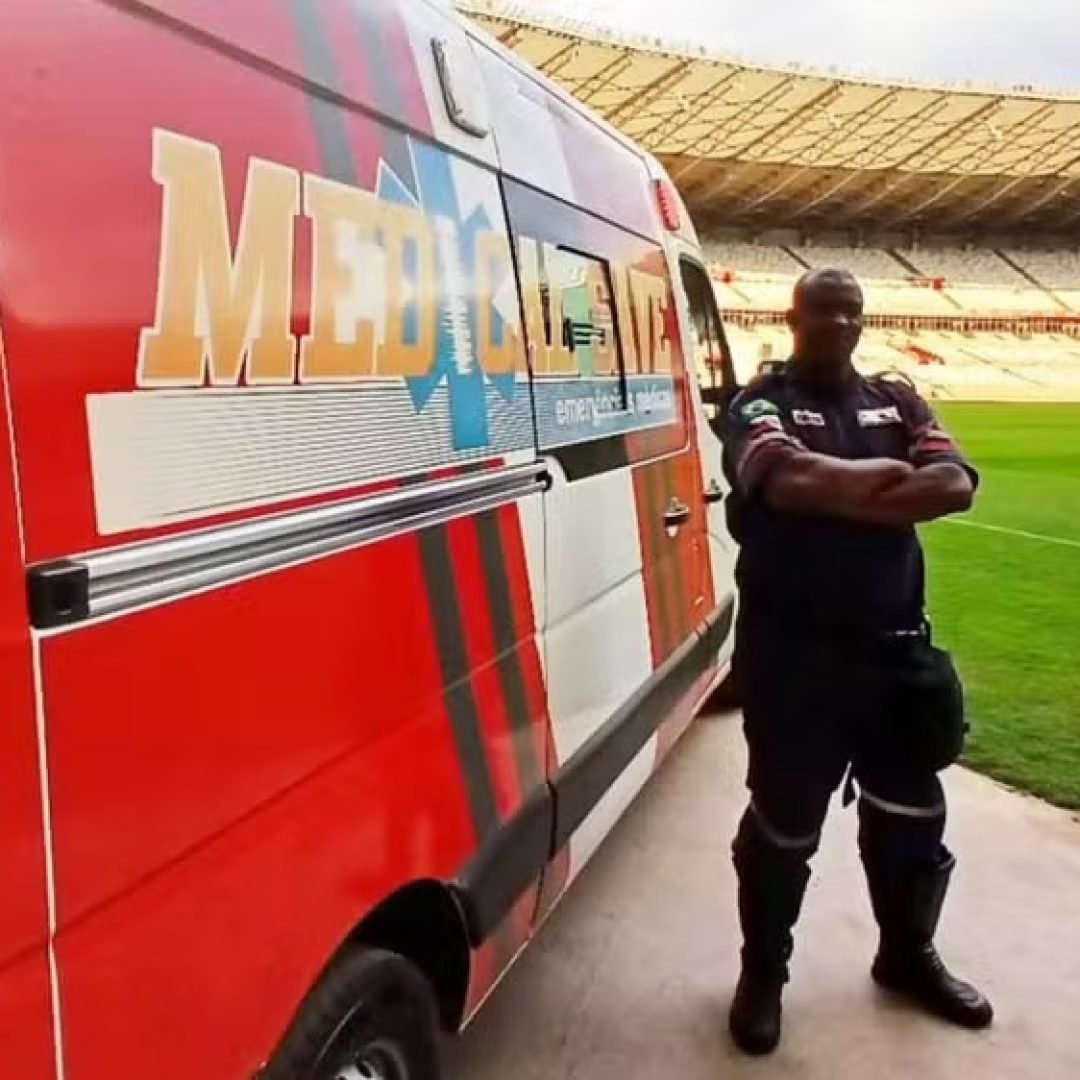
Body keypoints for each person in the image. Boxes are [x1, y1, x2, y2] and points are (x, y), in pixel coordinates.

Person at [722, 268, 993, 1055]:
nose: (837, 324)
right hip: (795, 663)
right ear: (794, 316)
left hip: (894, 658)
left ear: (863, 322)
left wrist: (854, 489)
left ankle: (906, 957)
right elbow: (792, 479)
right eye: (822, 311)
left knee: (912, 818)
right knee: (783, 830)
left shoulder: (898, 397)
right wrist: (893, 481)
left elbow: (955, 484)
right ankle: (762, 977)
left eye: (851, 312)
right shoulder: (758, 402)